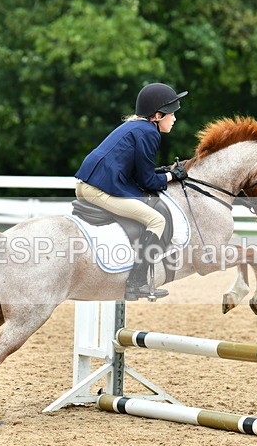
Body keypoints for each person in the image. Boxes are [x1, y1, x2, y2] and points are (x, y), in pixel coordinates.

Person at [74, 82, 189, 300]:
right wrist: (172, 176)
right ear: (157, 115)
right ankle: (137, 282)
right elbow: (146, 181)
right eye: (171, 114)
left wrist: (163, 172)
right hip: (98, 191)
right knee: (157, 221)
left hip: (88, 185)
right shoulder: (149, 133)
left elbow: (138, 172)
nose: (174, 118)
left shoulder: (136, 127)